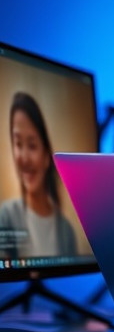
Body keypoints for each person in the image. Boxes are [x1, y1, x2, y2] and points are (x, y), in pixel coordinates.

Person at [0, 92, 77, 258]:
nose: (24, 158)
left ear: (47, 157)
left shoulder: (67, 231)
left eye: (32, 145)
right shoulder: (6, 215)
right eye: (18, 144)